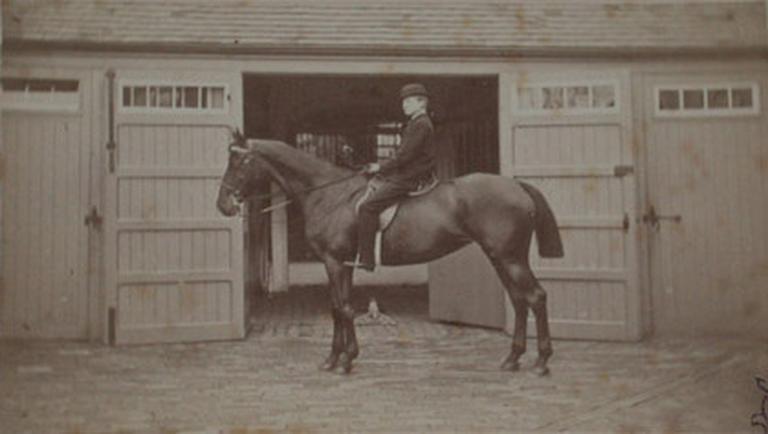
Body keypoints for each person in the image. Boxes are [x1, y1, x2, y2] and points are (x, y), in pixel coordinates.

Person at [350, 83, 436, 271]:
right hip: (405, 174)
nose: (404, 105)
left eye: (409, 101)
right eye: (403, 101)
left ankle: (367, 259)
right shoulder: (416, 123)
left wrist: (379, 167)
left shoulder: (420, 124)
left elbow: (404, 156)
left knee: (367, 207)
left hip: (409, 177)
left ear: (421, 103)